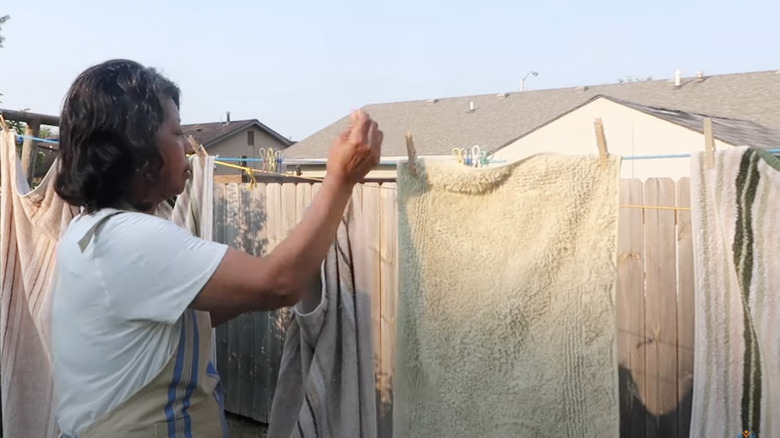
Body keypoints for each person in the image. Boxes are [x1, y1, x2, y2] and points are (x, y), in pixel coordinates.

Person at [50, 59, 383, 437]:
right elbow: (279, 283)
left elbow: (182, 321)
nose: (189, 147)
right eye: (176, 133)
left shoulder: (92, 231)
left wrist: (256, 286)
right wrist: (341, 178)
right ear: (139, 152)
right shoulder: (134, 239)